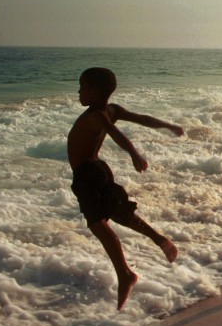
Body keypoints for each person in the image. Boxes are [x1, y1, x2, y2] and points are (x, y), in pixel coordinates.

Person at [67, 67, 183, 310]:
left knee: (97, 223)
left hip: (87, 175)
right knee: (121, 214)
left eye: (82, 87)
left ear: (95, 91)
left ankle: (125, 274)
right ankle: (160, 240)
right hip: (99, 170)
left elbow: (116, 134)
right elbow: (143, 119)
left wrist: (134, 154)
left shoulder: (97, 116)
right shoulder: (112, 110)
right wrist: (168, 126)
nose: (79, 91)